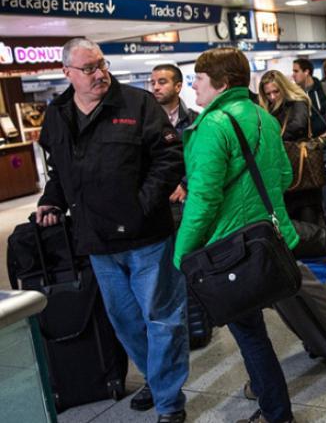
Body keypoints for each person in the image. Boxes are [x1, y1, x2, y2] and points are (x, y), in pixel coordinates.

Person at [37, 38, 188, 423]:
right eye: (88, 69)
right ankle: (155, 378)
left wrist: (141, 206)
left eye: (102, 64)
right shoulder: (57, 114)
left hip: (146, 237)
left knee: (162, 317)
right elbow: (59, 170)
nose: (100, 74)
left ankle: (169, 401)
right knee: (125, 321)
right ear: (67, 73)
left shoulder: (138, 104)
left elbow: (170, 158)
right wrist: (50, 200)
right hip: (97, 241)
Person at [173, 48, 297, 423]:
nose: (194, 85)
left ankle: (276, 412)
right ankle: (261, 387)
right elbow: (285, 176)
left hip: (231, 249)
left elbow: (204, 198)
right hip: (268, 239)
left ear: (222, 83)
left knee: (249, 332)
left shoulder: (213, 125)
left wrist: (181, 253)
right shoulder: (263, 117)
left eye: (199, 78)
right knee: (253, 324)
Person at [259, 69, 323, 225]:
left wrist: (273, 139)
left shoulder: (297, 101)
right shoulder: (268, 109)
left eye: (276, 91)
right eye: (268, 94)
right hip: (286, 172)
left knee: (309, 222)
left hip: (303, 171)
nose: (272, 97)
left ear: (283, 87)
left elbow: (299, 125)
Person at [150, 64, 198, 218]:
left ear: (178, 87)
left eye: (162, 82)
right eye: (153, 83)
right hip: (153, 201)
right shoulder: (144, 122)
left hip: (186, 201)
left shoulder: (195, 121)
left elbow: (200, 159)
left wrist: (184, 184)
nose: (156, 87)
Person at [291, 58, 326, 135]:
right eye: (293, 71)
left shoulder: (324, 87)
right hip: (306, 138)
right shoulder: (294, 94)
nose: (293, 75)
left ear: (306, 72)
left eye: (296, 71)